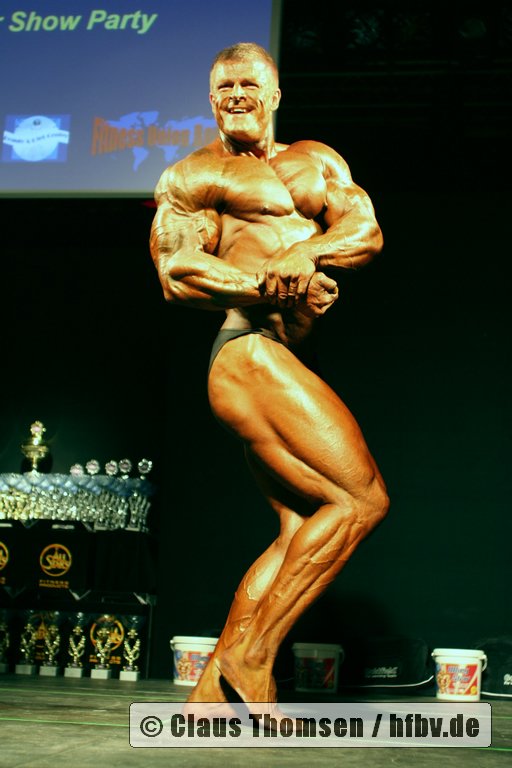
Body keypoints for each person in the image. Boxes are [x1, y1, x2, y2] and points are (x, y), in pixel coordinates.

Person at [150, 42, 389, 717]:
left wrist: (306, 252)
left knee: (299, 527)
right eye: (224, 87)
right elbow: (176, 272)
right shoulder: (196, 174)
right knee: (361, 501)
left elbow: (365, 231)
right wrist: (272, 283)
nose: (237, 95)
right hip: (246, 351)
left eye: (249, 84)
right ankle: (252, 657)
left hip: (280, 357)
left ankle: (209, 697)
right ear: (210, 100)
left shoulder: (317, 160)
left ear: (275, 94)